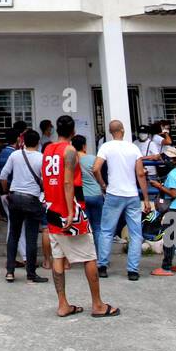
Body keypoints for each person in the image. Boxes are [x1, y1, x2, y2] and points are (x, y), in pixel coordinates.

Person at [43, 116, 117, 318]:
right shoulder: (70, 151)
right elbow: (68, 183)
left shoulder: (48, 149)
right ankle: (98, 304)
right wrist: (70, 211)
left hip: (52, 209)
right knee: (90, 256)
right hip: (70, 210)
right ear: (73, 131)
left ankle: (63, 304)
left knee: (58, 256)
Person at [93, 119, 147, 281]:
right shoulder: (133, 148)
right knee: (136, 234)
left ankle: (102, 266)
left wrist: (103, 184)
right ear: (123, 130)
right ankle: (132, 270)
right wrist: (146, 198)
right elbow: (140, 174)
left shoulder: (106, 147)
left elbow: (95, 168)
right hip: (131, 195)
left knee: (107, 231)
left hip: (113, 193)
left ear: (110, 132)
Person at [0, 127, 47, 283]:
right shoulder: (41, 158)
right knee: (31, 238)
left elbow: (3, 176)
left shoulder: (15, 155)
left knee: (14, 235)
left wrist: (6, 192)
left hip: (15, 198)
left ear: (23, 141)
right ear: (38, 142)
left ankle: (10, 271)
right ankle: (31, 274)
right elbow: (45, 182)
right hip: (32, 199)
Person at [149, 146, 176, 276]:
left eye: (166, 158)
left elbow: (173, 193)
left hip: (173, 210)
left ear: (173, 160)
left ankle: (166, 267)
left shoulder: (173, 175)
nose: (164, 160)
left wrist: (159, 186)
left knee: (169, 239)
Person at [76, 134, 104, 260]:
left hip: (82, 196)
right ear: (84, 146)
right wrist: (103, 185)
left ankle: (88, 256)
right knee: (98, 227)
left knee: (86, 228)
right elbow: (100, 174)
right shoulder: (93, 158)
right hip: (97, 194)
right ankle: (100, 257)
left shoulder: (73, 162)